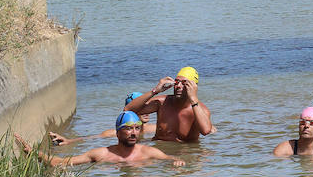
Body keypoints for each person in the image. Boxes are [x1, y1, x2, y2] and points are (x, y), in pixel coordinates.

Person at [17, 112, 185, 167]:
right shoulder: (100, 154)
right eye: (128, 129)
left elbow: (173, 159)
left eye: (136, 129)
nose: (133, 133)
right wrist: (34, 153)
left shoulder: (149, 152)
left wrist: (178, 162)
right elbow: (61, 162)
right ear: (118, 133)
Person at [125, 66, 214, 142]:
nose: (178, 86)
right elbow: (128, 110)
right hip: (161, 154)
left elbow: (205, 131)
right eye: (176, 82)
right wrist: (155, 91)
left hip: (186, 155)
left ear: (193, 87)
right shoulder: (162, 102)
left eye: (184, 83)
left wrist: (194, 99)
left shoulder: (200, 110)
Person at [50, 92, 157, 145]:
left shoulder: (154, 129)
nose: (146, 112)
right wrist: (69, 141)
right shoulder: (113, 133)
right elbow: (91, 138)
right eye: (141, 108)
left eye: (147, 107)